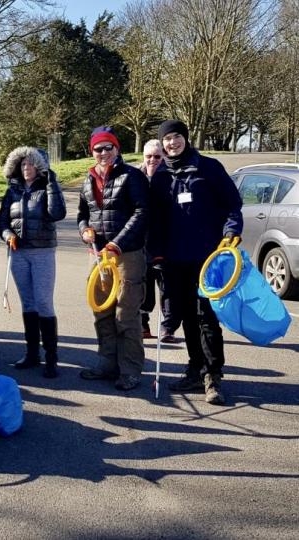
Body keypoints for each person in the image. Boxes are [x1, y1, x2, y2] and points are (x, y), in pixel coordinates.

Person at [148, 120, 242, 405]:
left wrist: (231, 232)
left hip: (207, 257)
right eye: (167, 139)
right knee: (187, 315)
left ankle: (212, 376)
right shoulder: (162, 175)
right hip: (176, 259)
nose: (172, 143)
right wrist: (157, 254)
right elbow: (156, 220)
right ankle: (194, 369)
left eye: (176, 137)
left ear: (185, 139)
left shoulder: (208, 168)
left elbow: (232, 204)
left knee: (206, 317)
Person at [77, 126, 149, 392]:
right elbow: (83, 213)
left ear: (117, 149)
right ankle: (107, 363)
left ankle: (130, 370)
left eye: (109, 147)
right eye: (98, 148)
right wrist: (84, 229)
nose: (103, 152)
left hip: (125, 255)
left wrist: (117, 244)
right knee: (101, 312)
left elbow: (142, 213)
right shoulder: (88, 178)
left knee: (125, 314)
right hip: (97, 256)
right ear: (92, 151)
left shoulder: (132, 176)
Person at [0, 146, 67, 378]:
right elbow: (3, 221)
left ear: (40, 166)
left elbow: (57, 213)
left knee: (44, 303)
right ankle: (31, 353)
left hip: (42, 252)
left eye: (31, 164)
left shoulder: (47, 187)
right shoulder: (12, 191)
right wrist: (8, 235)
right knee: (28, 303)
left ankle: (51, 357)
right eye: (23, 164)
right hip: (18, 253)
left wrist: (51, 183)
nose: (26, 169)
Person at [139, 140, 181, 343]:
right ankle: (143, 324)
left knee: (168, 288)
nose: (153, 160)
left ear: (164, 157)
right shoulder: (136, 177)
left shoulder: (171, 177)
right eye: (149, 156)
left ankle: (168, 328)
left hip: (167, 241)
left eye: (157, 156)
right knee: (143, 287)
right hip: (142, 242)